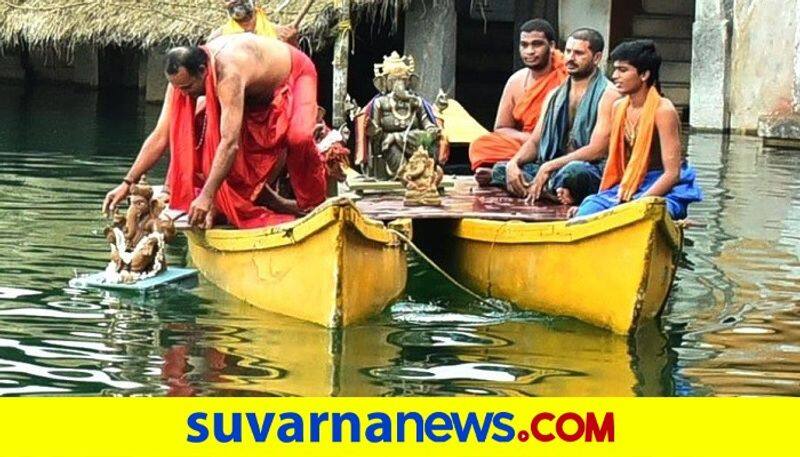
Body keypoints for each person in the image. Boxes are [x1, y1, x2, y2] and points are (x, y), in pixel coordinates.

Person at [102, 33, 327, 229]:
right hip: (253, 94)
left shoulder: (228, 74)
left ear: (203, 71)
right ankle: (250, 200)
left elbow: (229, 143)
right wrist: (127, 182)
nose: (184, 94)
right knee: (199, 120)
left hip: (294, 73)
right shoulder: (181, 80)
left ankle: (312, 205)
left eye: (188, 88)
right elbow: (160, 136)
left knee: (298, 138)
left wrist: (206, 196)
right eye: (178, 88)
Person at [490, 28, 621, 206]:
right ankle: (551, 192)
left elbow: (597, 149)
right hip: (554, 167)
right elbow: (535, 142)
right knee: (502, 169)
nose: (570, 58)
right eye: (568, 51)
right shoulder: (554, 95)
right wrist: (514, 163)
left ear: (596, 58)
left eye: (578, 53)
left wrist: (548, 167)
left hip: (590, 168)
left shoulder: (608, 94)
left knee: (574, 173)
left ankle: (546, 189)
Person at [574, 40, 702, 219]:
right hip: (628, 184)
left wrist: (637, 205)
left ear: (644, 75)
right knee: (587, 209)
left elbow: (672, 174)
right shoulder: (618, 107)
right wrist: (603, 198)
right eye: (615, 69)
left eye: (623, 70)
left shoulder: (663, 111)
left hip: (663, 187)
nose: (615, 76)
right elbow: (615, 164)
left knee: (648, 216)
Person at [469, 19, 567, 181]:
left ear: (551, 46)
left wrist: (543, 142)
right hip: (526, 144)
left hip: (556, 146)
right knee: (480, 146)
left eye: (536, 44)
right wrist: (530, 140)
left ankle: (505, 172)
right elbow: (501, 128)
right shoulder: (516, 81)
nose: (529, 51)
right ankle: (521, 168)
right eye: (524, 45)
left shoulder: (566, 77)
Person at [208, 0, 298, 45]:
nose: (233, 1)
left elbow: (296, 66)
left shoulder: (281, 33)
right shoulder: (217, 39)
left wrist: (292, 44)